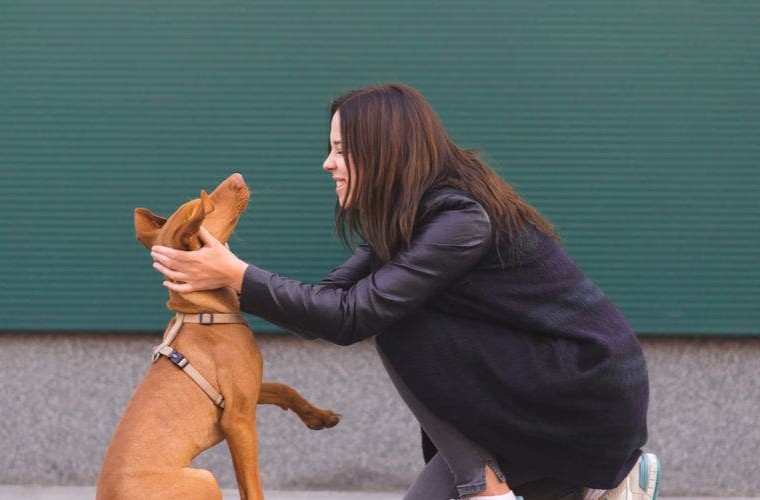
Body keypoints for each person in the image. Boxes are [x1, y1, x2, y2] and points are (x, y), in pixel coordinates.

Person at [150, 83, 658, 500]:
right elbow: (323, 309)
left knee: (396, 317)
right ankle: (598, 489)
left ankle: (494, 487)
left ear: (385, 151)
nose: (328, 163)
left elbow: (351, 315)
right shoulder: (409, 223)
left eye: (342, 150)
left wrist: (236, 274)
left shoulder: (461, 218)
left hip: (582, 394)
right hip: (530, 403)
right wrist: (217, 277)